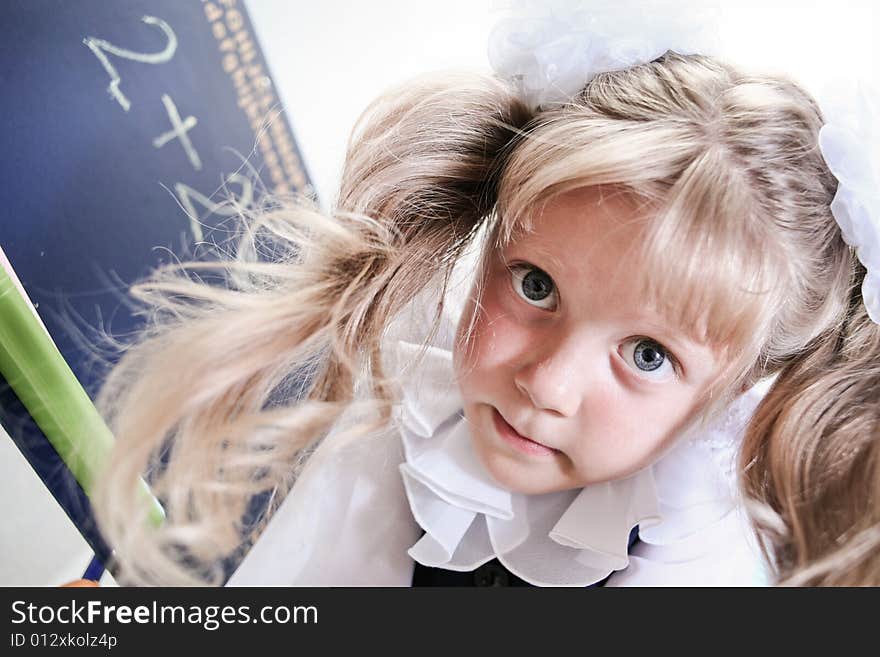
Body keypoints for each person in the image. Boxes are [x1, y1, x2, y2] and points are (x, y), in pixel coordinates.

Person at [88, 10, 880, 586]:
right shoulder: (406, 429)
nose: (546, 383)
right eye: (536, 285)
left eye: (648, 355)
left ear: (743, 387)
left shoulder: (703, 567)